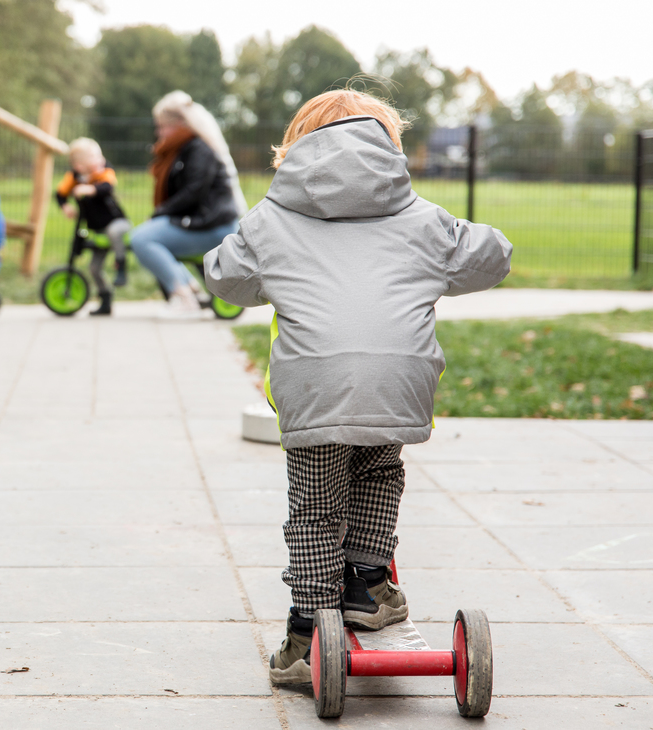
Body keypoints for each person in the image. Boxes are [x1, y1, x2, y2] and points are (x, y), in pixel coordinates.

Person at [203, 89, 512, 684]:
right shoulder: (422, 219)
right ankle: (369, 585)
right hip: (397, 383)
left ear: (291, 151)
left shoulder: (272, 221)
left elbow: (224, 276)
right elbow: (492, 257)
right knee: (377, 472)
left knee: (315, 508)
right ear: (389, 148)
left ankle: (307, 627)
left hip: (313, 389)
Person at [129, 91, 247, 317]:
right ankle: (192, 290)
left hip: (213, 225)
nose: (159, 133)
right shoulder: (189, 148)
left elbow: (193, 192)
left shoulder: (199, 149)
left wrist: (159, 214)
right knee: (145, 235)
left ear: (179, 124)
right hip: (204, 221)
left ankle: (182, 296)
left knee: (141, 239)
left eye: (162, 126)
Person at [56, 137, 132, 316]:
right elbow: (60, 193)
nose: (101, 159)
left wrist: (89, 189)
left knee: (114, 232)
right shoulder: (74, 177)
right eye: (95, 157)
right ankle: (105, 299)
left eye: (100, 155)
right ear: (79, 166)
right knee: (94, 268)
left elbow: (108, 186)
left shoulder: (104, 172)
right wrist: (65, 206)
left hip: (118, 223)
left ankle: (121, 266)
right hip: (98, 230)